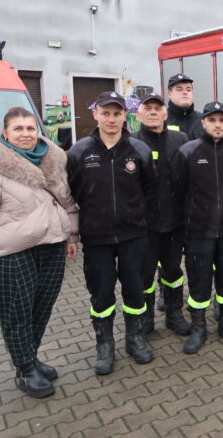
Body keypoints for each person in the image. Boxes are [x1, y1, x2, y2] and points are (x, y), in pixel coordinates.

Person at [0, 107, 78, 398]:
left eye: (30, 128)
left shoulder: (53, 161)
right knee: (17, 312)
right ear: (5, 133)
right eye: (18, 129)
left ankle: (30, 357)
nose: (26, 134)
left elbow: (67, 201)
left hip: (52, 247)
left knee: (42, 306)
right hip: (12, 253)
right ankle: (24, 369)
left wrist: (71, 235)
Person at [67, 92, 157, 374]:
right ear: (95, 114)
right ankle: (104, 345)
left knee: (135, 289)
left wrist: (139, 219)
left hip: (134, 236)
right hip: (96, 238)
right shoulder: (80, 151)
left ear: (124, 117)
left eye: (117, 114)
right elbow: (70, 193)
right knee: (102, 294)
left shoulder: (138, 150)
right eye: (106, 113)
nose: (111, 119)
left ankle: (135, 338)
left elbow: (150, 190)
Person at [172, 101, 223, 353]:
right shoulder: (187, 152)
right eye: (212, 120)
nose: (217, 124)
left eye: (222, 120)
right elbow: (178, 192)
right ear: (203, 122)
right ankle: (198, 327)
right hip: (198, 232)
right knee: (199, 282)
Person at [132, 93, 191, 336]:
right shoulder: (132, 142)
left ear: (166, 113)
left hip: (174, 222)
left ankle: (174, 313)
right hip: (144, 225)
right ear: (139, 114)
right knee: (144, 273)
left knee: (173, 270)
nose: (153, 112)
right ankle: (146, 319)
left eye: (158, 108)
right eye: (148, 108)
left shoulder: (181, 139)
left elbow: (189, 180)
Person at [166, 73, 204, 140]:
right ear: (169, 94)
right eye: (179, 89)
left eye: (188, 89)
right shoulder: (161, 120)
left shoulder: (203, 120)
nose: (185, 92)